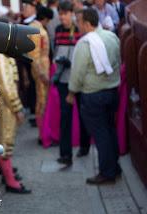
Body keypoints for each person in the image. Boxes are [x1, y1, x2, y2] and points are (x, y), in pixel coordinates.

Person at [67, 8, 121, 184]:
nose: (78, 25)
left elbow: (78, 73)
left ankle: (107, 172)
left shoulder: (85, 44)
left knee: (101, 134)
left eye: (79, 21)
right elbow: (118, 61)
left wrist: (71, 92)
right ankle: (115, 166)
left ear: (87, 23)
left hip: (93, 95)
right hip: (112, 91)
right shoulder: (111, 36)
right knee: (110, 130)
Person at [0, 36, 31, 193]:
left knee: (4, 139)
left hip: (2, 102)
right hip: (6, 104)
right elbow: (7, 87)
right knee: (6, 140)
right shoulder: (0, 57)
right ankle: (10, 181)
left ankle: (7, 173)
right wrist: (17, 108)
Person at [53, 1, 87, 166]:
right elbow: (55, 50)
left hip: (78, 80)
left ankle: (84, 146)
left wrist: (70, 62)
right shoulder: (58, 30)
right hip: (63, 81)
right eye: (60, 14)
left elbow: (82, 56)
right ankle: (65, 154)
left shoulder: (79, 31)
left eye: (65, 14)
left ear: (72, 14)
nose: (62, 17)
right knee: (65, 118)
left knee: (82, 115)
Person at [22, 0, 50, 145]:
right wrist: (41, 74)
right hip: (41, 70)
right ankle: (43, 134)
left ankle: (43, 133)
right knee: (42, 101)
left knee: (42, 101)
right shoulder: (37, 29)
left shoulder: (34, 27)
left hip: (40, 69)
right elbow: (35, 55)